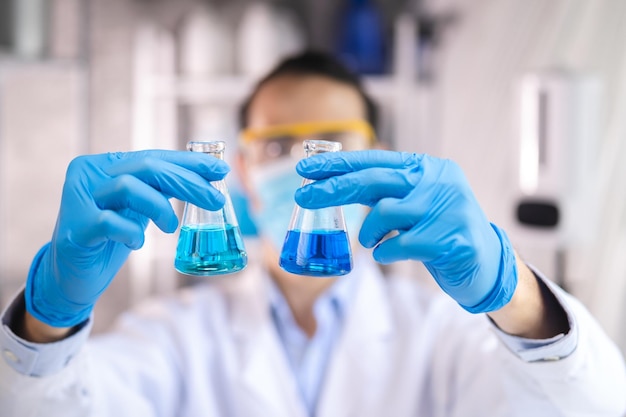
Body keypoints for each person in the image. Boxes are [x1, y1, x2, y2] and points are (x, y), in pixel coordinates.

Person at [1, 51, 625, 417]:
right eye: (276, 144)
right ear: (241, 170)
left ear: (377, 155)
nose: (303, 164)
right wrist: (47, 319)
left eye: (330, 143)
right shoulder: (174, 335)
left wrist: (512, 292)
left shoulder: (439, 334)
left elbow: (591, 408)